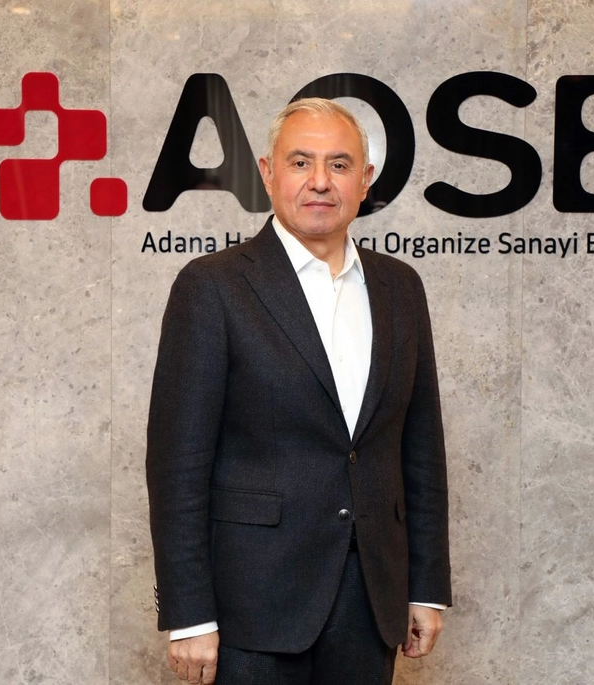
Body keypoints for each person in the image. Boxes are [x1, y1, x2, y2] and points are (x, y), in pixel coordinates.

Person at [146, 97, 451, 685]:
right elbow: (177, 466)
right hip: (250, 605)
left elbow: (421, 450)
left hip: (370, 601)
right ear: (268, 173)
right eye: (301, 162)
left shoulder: (401, 288)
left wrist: (426, 587)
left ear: (365, 180)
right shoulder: (212, 287)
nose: (320, 181)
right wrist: (189, 615)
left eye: (339, 164)